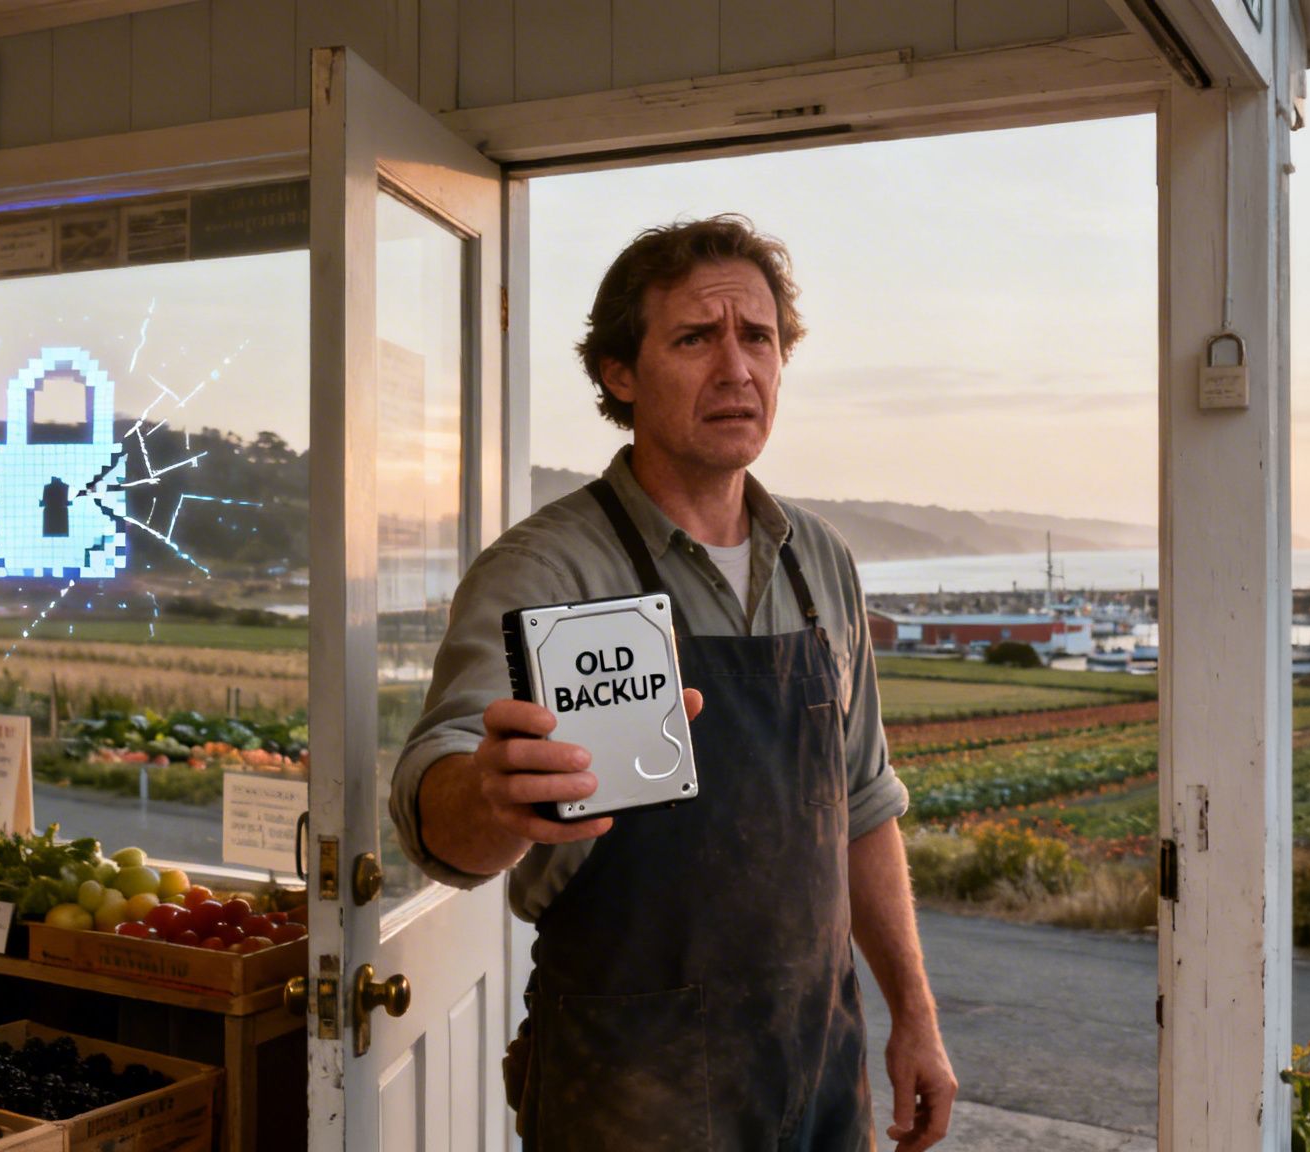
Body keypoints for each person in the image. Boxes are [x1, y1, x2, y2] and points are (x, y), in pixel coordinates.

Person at [389, 215, 956, 1151]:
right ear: (621, 373)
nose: (738, 369)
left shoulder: (819, 563)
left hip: (818, 1080)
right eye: (697, 338)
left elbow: (862, 807)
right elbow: (438, 803)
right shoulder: (547, 571)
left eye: (759, 338)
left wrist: (917, 1018)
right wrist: (490, 796)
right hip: (628, 1090)